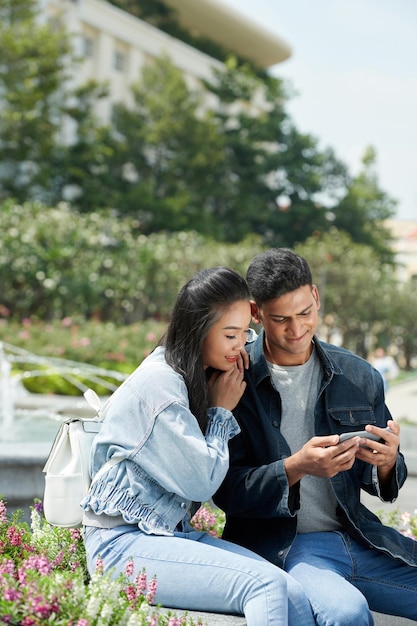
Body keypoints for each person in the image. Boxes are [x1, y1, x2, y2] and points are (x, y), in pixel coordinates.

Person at [81, 266, 315, 626]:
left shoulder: (187, 373)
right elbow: (201, 481)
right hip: (120, 543)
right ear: (199, 330)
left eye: (244, 333)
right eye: (230, 335)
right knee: (265, 586)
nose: (241, 346)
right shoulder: (161, 384)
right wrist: (220, 413)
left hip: (163, 534)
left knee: (291, 592)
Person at [214, 249, 417, 625]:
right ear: (256, 314)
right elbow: (225, 491)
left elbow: (386, 484)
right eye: (281, 319)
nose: (296, 329)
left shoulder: (359, 376)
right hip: (283, 547)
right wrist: (295, 468)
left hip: (359, 536)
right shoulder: (233, 381)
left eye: (305, 313)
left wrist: (387, 463)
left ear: (316, 297)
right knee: (346, 612)